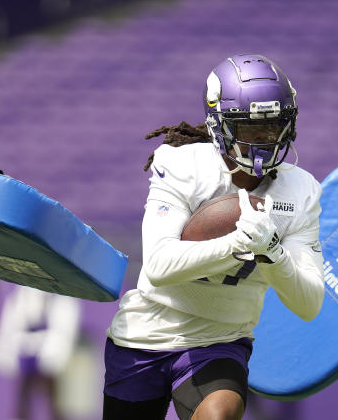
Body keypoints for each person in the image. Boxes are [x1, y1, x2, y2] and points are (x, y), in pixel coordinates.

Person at [103, 54, 325, 420]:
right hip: (147, 332)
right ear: (219, 125)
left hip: (220, 340)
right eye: (250, 128)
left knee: (221, 414)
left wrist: (272, 252)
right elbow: (158, 266)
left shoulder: (301, 190)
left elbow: (309, 302)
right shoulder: (182, 164)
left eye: (273, 126)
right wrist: (236, 245)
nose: (265, 140)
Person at [0, 285, 81, 420]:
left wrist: (55, 349)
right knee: (23, 392)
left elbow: (64, 319)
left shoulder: (57, 292)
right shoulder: (22, 292)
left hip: (48, 343)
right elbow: (13, 318)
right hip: (26, 344)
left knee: (50, 393)